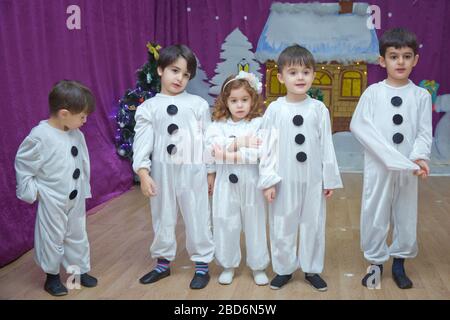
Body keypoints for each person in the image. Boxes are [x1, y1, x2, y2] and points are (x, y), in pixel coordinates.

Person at [350, 27, 432, 289]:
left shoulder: (421, 96)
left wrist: (418, 157)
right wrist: (387, 156)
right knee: (375, 212)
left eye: (407, 56)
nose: (400, 62)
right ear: (382, 60)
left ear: (415, 60)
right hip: (379, 167)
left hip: (408, 168)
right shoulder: (373, 93)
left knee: (405, 214)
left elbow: (423, 132)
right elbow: (360, 126)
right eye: (394, 56)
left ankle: (399, 262)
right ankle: (375, 263)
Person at [258, 45, 342, 291]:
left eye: (306, 72)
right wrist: (268, 180)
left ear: (313, 75)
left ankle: (312, 268)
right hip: (284, 179)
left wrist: (329, 179)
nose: (300, 77)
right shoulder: (275, 109)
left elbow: (327, 145)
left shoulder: (318, 109)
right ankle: (283, 269)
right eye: (293, 72)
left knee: (313, 224)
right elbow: (267, 147)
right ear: (281, 77)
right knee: (282, 223)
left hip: (312, 180)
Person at [133, 44, 214, 290]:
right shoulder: (148, 107)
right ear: (160, 70)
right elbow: (142, 142)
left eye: (186, 74)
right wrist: (144, 173)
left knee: (198, 214)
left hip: (193, 168)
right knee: (162, 215)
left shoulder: (198, 105)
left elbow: (207, 140)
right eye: (174, 70)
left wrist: (210, 171)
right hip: (162, 170)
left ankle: (202, 265)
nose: (180, 78)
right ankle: (162, 264)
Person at [15, 80, 98, 296]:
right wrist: (33, 191)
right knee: (51, 238)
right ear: (64, 114)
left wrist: (84, 187)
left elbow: (83, 162)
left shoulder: (76, 133)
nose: (85, 120)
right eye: (82, 116)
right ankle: (51, 277)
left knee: (77, 235)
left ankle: (77, 272)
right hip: (53, 198)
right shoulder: (40, 136)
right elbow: (24, 165)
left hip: (75, 196)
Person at [205, 71, 270, 286]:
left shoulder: (259, 124)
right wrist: (241, 143)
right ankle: (228, 265)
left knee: (255, 223)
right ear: (226, 101)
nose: (239, 105)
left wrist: (226, 153)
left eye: (244, 100)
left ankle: (258, 266)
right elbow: (211, 151)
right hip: (225, 182)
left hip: (252, 181)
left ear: (252, 100)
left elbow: (259, 153)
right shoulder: (217, 126)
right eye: (234, 100)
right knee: (225, 221)